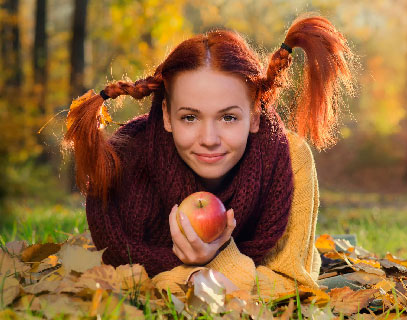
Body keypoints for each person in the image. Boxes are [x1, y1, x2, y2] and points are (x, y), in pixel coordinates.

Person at [63, 13, 357, 301]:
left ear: (255, 116)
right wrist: (194, 277)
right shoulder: (125, 160)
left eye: (228, 117)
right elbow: (116, 273)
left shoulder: (289, 159)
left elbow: (293, 286)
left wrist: (213, 259)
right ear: (166, 116)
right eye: (189, 117)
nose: (209, 139)